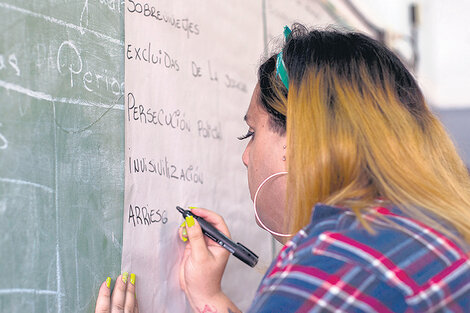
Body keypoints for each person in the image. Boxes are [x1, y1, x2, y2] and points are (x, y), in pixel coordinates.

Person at [95, 24, 470, 312]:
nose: (245, 156)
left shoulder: (332, 264)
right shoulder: (431, 226)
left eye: (251, 133)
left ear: (299, 142)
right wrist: (209, 296)